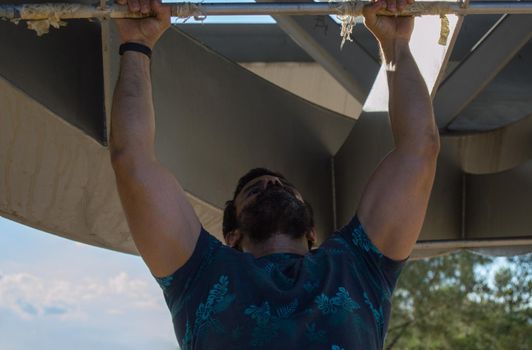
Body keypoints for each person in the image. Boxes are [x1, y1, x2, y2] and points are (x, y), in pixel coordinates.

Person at [110, 0, 440, 348]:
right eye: (254, 190)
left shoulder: (358, 265)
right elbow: (132, 161)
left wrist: (396, 44)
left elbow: (420, 148)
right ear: (232, 235)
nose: (271, 183)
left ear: (313, 231)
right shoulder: (200, 275)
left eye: (283, 186)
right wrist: (136, 44)